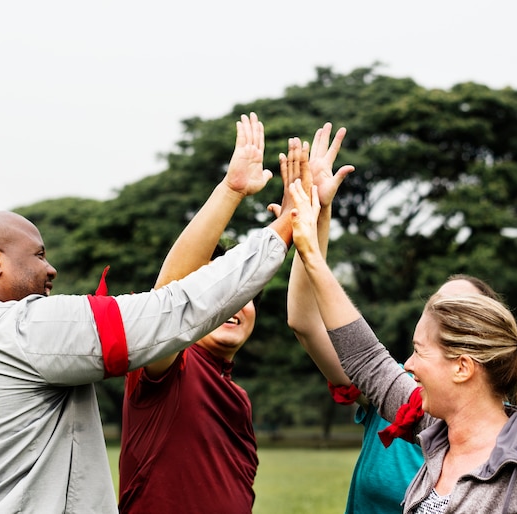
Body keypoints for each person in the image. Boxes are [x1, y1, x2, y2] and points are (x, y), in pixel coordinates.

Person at [0, 113, 301, 513]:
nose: (50, 269)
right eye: (38, 256)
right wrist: (285, 227)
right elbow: (172, 310)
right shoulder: (25, 331)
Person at [118, 122, 352, 514]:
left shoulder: (238, 398)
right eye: (218, 298)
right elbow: (165, 303)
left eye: (242, 296)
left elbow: (308, 314)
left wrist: (315, 215)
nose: (233, 307)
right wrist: (231, 191)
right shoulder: (166, 368)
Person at [287, 178, 517, 512]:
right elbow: (366, 357)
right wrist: (310, 250)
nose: (407, 364)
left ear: (462, 366)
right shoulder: (434, 428)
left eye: (420, 350)